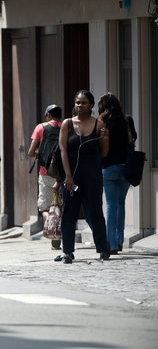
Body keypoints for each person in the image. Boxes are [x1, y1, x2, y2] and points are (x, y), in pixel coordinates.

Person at [58, 90, 110, 264]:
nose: (80, 105)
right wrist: (67, 175)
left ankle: (103, 248)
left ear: (91, 106)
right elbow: (63, 150)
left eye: (84, 103)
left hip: (92, 175)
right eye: (77, 102)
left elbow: (103, 154)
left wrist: (105, 139)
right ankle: (67, 251)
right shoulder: (67, 124)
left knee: (95, 210)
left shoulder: (98, 124)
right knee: (69, 213)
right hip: (71, 175)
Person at [97, 93, 137, 255]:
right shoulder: (127, 120)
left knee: (110, 205)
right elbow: (133, 138)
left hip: (108, 168)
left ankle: (111, 244)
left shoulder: (103, 122)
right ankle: (120, 241)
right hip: (126, 168)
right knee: (121, 203)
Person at [28, 104, 63, 250]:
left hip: (45, 172)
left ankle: (50, 224)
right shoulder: (66, 126)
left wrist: (43, 157)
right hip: (62, 172)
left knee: (44, 206)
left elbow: (31, 152)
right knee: (60, 204)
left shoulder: (40, 127)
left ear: (48, 115)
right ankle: (60, 229)